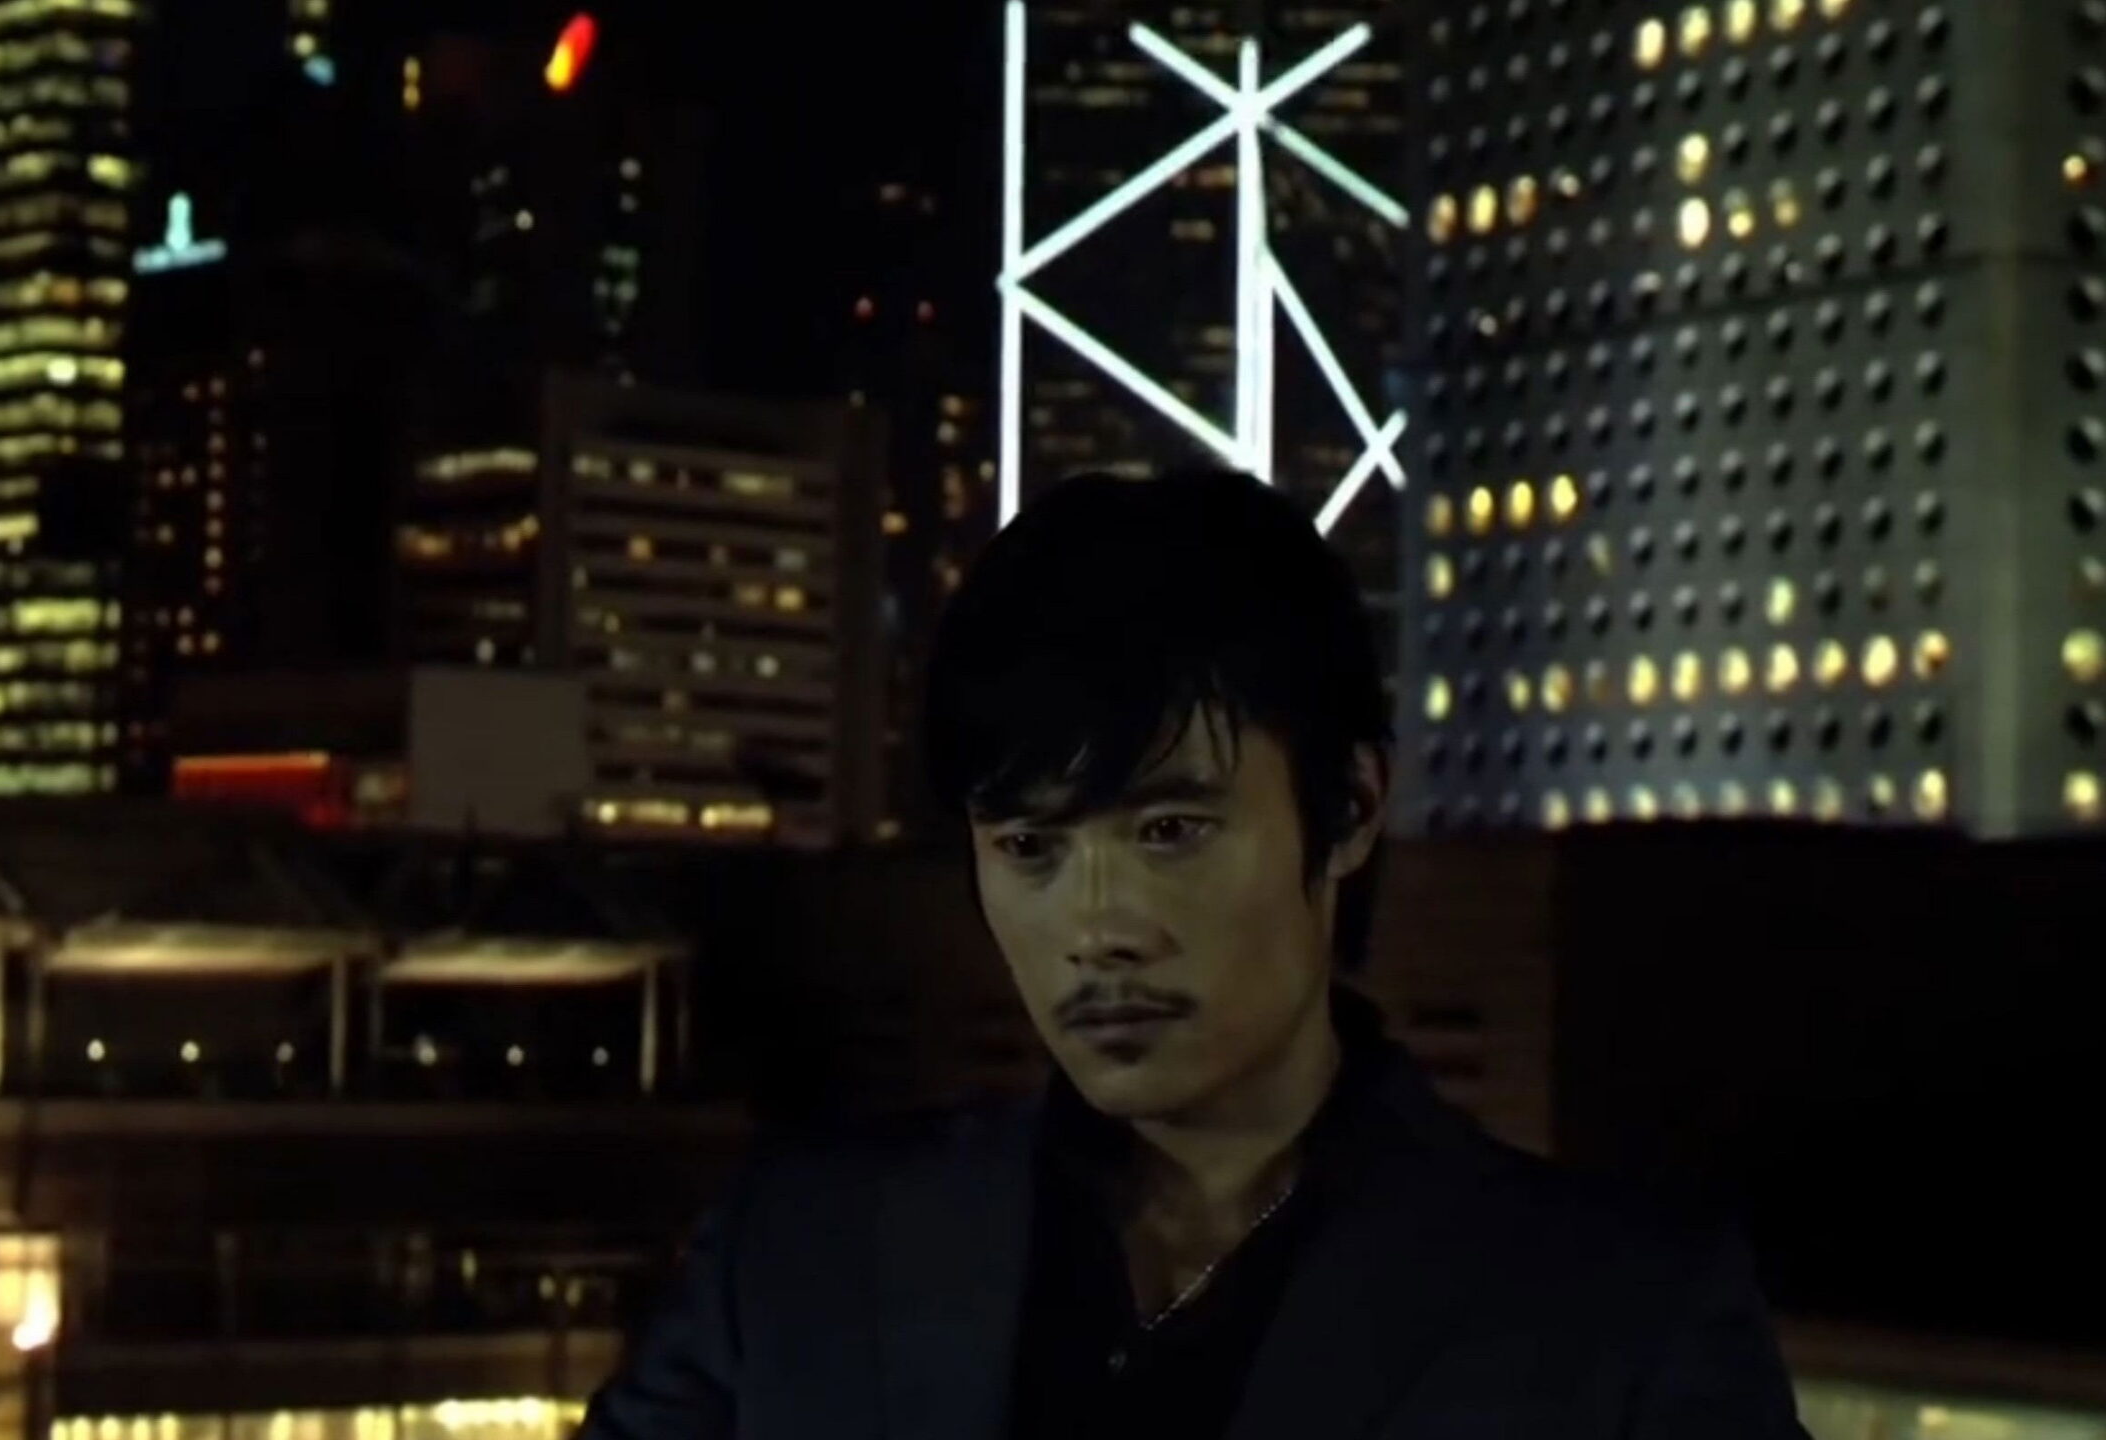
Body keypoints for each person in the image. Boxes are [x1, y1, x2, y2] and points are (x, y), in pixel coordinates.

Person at [575, 469, 1812, 1439]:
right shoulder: (800, 1254)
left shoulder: (1614, 1321)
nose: (1098, 925)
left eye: (1169, 830)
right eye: (1030, 847)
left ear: (1349, 807)